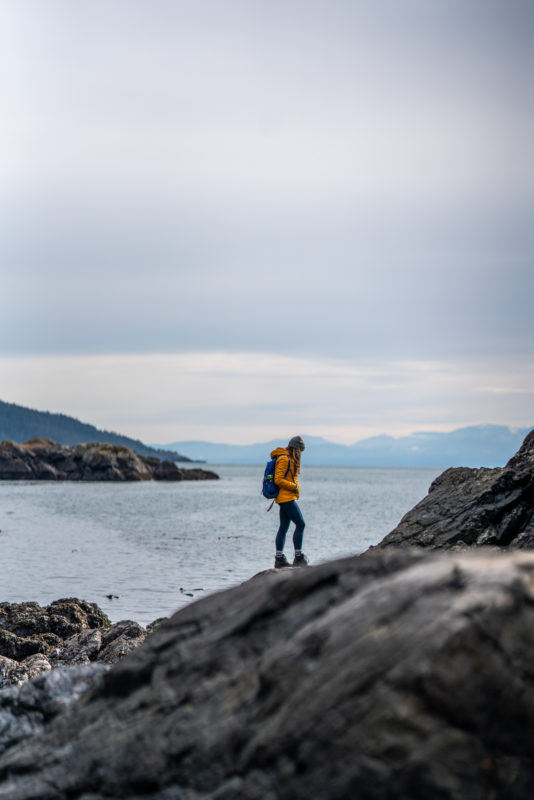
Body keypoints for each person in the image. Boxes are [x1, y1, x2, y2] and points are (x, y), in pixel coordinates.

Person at [271, 435, 308, 568]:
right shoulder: (284, 459)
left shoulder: (291, 459)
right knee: (301, 524)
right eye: (300, 451)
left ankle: (279, 559)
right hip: (285, 498)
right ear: (296, 449)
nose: (301, 454)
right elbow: (278, 479)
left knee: (284, 527)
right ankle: (298, 557)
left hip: (287, 497)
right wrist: (294, 487)